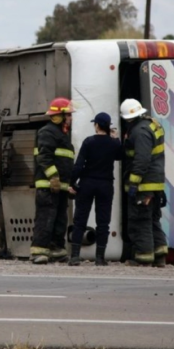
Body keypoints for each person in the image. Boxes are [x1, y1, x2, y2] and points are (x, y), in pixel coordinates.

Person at [68, 112, 123, 266]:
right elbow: (120, 156)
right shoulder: (113, 144)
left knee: (80, 220)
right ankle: (100, 258)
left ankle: (74, 256)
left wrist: (72, 183)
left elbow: (79, 165)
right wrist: (116, 138)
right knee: (103, 222)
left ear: (97, 125)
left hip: (87, 184)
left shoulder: (89, 142)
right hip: (105, 185)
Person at [119, 98, 168, 267]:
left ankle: (143, 257)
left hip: (143, 185)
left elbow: (142, 159)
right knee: (153, 220)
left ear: (128, 118)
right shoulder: (152, 125)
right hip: (154, 183)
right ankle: (160, 256)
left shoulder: (139, 132)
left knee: (140, 221)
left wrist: (133, 183)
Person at [30, 97, 75, 264]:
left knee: (59, 219)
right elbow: (45, 157)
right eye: (69, 115)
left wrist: (68, 184)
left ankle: (56, 250)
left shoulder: (62, 135)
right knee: (46, 218)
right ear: (59, 116)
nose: (71, 118)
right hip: (48, 185)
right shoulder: (47, 132)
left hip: (60, 186)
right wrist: (53, 177)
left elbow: (65, 162)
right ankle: (38, 251)